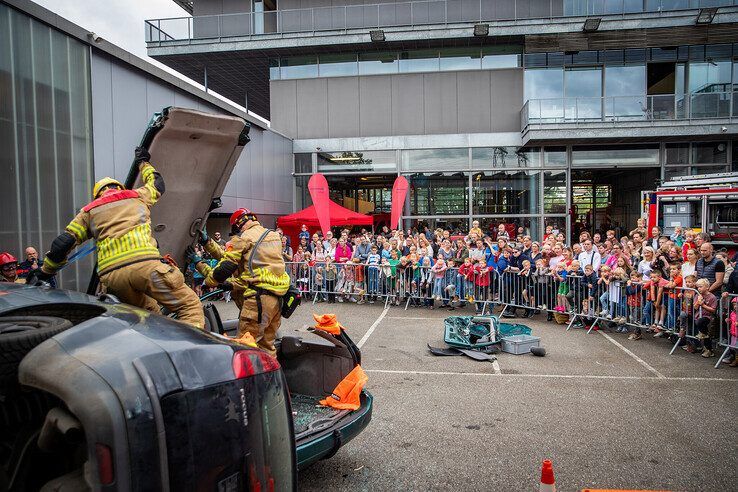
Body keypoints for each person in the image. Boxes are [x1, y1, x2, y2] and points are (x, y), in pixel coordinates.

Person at [28, 147, 204, 328]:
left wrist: (45, 271)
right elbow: (158, 183)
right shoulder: (137, 196)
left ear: (97, 194)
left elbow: (62, 244)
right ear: (119, 187)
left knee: (149, 315)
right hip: (146, 267)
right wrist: (143, 162)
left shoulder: (89, 211)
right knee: (189, 305)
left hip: (112, 278)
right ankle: (194, 352)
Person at [193, 208, 290, 355]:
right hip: (276, 301)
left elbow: (225, 267)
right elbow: (231, 259)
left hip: (257, 301)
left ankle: (248, 378)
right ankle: (271, 377)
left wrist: (208, 282)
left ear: (238, 225)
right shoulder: (273, 236)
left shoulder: (244, 238)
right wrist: (207, 242)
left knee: (245, 347)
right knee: (267, 348)